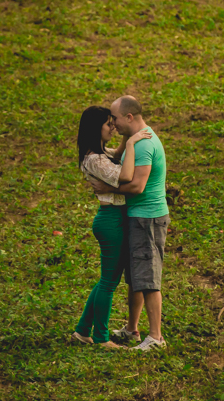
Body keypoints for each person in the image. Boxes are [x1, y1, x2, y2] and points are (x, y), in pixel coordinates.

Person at [88, 95, 169, 351]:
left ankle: (155, 338)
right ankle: (132, 329)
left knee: (148, 279)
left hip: (148, 217)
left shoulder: (144, 145)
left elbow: (137, 185)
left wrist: (106, 186)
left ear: (129, 117)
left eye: (115, 118)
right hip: (136, 216)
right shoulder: (135, 141)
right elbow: (112, 154)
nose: (112, 123)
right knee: (135, 278)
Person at [72, 106, 152, 349]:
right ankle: (101, 338)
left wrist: (128, 132)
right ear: (96, 127)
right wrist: (131, 144)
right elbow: (126, 176)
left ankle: (83, 331)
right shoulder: (94, 160)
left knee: (106, 280)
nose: (112, 127)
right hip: (110, 221)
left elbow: (115, 155)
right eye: (108, 124)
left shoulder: (99, 153)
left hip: (113, 219)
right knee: (108, 282)